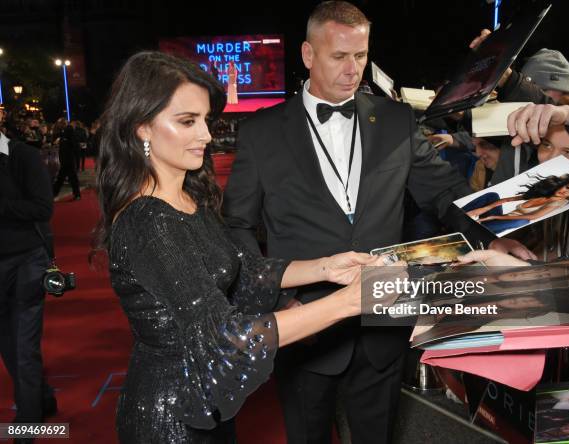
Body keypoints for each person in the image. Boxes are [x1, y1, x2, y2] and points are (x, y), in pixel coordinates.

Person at [221, 2, 532, 443]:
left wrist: (492, 235)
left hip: (385, 321)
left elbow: (445, 193)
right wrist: (276, 299)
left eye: (361, 56)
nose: (353, 70)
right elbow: (235, 226)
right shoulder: (262, 132)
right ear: (308, 55)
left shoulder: (397, 120)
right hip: (304, 323)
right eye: (339, 57)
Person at [94, 51, 404, 444]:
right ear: (142, 128)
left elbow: (244, 269)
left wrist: (326, 267)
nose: (206, 135)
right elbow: (228, 335)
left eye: (206, 120)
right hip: (171, 418)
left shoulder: (189, 198)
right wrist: (350, 302)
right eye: (187, 121)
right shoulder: (148, 221)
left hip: (205, 403)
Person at [0, 107, 57, 441]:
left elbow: (43, 208)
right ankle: (41, 397)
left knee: (23, 344)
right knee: (8, 343)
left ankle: (28, 423)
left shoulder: (24, 156)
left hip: (26, 261)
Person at [463, 173, 569, 234]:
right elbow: (508, 199)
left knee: (522, 221)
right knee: (492, 196)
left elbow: (533, 217)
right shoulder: (545, 191)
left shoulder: (560, 203)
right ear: (564, 183)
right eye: (568, 187)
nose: (567, 192)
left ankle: (474, 232)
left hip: (497, 224)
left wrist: (494, 216)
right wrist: (483, 209)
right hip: (494, 220)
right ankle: (459, 214)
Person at [52, 118, 81, 200]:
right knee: (63, 177)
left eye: (60, 124)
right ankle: (76, 194)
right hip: (66, 158)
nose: (58, 125)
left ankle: (76, 194)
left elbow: (73, 144)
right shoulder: (64, 132)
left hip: (68, 158)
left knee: (68, 177)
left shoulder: (68, 131)